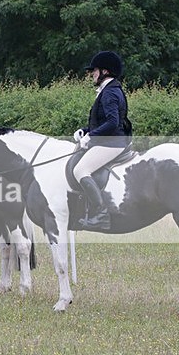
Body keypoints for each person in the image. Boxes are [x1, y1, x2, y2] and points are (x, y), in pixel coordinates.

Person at [72, 50, 133, 229]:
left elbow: (113, 123)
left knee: (80, 170)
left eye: (95, 70)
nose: (92, 73)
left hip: (113, 143)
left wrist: (92, 136)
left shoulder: (110, 93)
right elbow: (104, 121)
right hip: (109, 140)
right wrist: (85, 131)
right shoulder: (109, 89)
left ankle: (100, 214)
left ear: (105, 71)